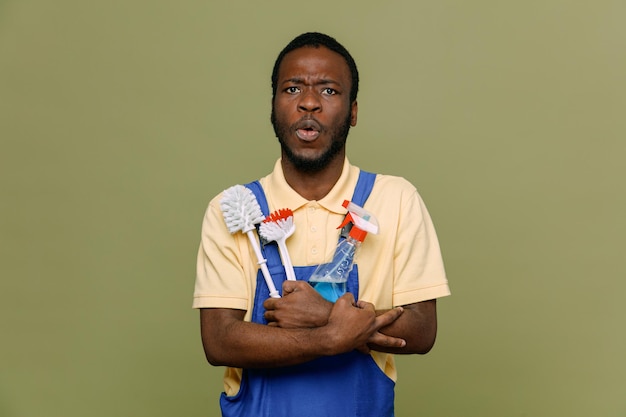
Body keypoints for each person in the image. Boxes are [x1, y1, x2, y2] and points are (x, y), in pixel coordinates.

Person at [193, 32, 451, 417]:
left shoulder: (396, 199)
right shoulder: (232, 208)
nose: (308, 102)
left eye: (328, 91)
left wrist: (324, 313)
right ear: (273, 106)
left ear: (353, 111)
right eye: (292, 88)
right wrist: (331, 335)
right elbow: (219, 341)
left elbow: (421, 330)